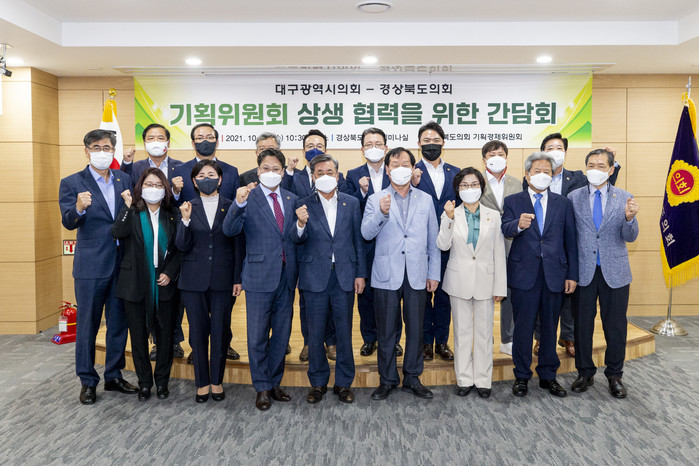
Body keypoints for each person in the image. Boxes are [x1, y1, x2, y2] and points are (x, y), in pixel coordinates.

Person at [59, 129, 137, 404]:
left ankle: (113, 375)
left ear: (113, 151)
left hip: (122, 263)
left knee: (118, 323)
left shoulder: (124, 179)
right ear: (87, 151)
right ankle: (88, 381)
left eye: (107, 148)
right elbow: (68, 222)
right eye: (96, 147)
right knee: (88, 325)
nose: (102, 152)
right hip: (91, 266)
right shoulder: (71, 182)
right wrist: (79, 208)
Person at [362, 147, 440, 401]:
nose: (400, 169)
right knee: (386, 331)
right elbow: (366, 233)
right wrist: (382, 213)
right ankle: (387, 380)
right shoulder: (375, 199)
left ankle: (412, 378)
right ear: (387, 170)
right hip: (386, 274)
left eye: (405, 164)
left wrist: (433, 273)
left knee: (416, 329)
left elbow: (433, 240)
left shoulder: (425, 199)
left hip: (417, 273)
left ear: (414, 168)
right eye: (395, 165)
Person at [223, 148, 299, 411]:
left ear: (283, 172)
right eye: (266, 168)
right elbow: (229, 230)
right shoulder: (248, 197)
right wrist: (238, 204)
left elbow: (294, 237)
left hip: (286, 277)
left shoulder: (292, 198)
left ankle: (275, 382)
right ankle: (262, 387)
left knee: (281, 335)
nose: (271, 173)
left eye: (276, 169)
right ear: (258, 171)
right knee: (256, 336)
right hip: (258, 276)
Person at [290, 154, 367, 404]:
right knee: (315, 334)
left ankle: (343, 383)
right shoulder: (302, 204)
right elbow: (296, 239)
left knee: (344, 332)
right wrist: (300, 223)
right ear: (313, 177)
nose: (325, 176)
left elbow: (358, 241)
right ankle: (318, 383)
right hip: (314, 277)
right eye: (320, 173)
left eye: (329, 172)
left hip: (345, 276)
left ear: (337, 175)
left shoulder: (351, 202)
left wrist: (360, 274)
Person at [502, 152, 578, 398]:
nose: (542, 175)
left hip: (555, 274)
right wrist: (518, 225)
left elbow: (570, 241)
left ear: (553, 175)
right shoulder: (513, 200)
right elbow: (505, 228)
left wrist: (572, 274)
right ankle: (521, 376)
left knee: (549, 327)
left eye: (547, 171)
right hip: (524, 274)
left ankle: (548, 375)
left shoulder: (563, 203)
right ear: (527, 175)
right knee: (523, 328)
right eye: (537, 171)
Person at [568, 149, 639, 399]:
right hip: (584, 271)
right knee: (582, 325)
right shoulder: (573, 197)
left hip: (615, 272)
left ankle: (615, 375)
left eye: (600, 165)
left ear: (611, 170)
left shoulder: (624, 197)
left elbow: (630, 236)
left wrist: (629, 219)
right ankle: (584, 372)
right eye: (591, 165)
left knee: (616, 326)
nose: (595, 169)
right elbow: (569, 235)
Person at [175, 160, 243, 403]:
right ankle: (202, 383)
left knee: (220, 331)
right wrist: (184, 221)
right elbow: (181, 245)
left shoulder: (232, 206)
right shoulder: (187, 207)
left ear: (220, 179)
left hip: (224, 279)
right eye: (201, 175)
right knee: (198, 332)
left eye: (211, 174)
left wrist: (237, 278)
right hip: (193, 280)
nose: (207, 178)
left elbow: (238, 245)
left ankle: (217, 381)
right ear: (194, 182)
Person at [172, 123, 241, 363]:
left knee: (224, 310)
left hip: (223, 252)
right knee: (196, 313)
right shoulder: (179, 170)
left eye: (210, 137)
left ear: (217, 141)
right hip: (192, 250)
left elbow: (235, 209)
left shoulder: (231, 171)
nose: (205, 141)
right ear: (192, 142)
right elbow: (172, 207)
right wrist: (176, 192)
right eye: (200, 137)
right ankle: (197, 348)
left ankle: (224, 344)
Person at [112, 168, 181, 401]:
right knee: (138, 336)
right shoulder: (132, 211)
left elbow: (181, 248)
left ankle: (162, 382)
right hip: (134, 283)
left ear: (165, 189)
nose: (153, 189)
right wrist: (127, 206)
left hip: (165, 283)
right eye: (149, 184)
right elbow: (117, 232)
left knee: (165, 337)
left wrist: (170, 272)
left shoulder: (173, 214)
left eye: (158, 185)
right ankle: (144, 382)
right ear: (141, 188)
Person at [437, 167, 507, 398]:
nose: (470, 188)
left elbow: (499, 252)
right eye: (464, 185)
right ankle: (464, 379)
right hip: (459, 281)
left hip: (486, 281)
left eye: (474, 184)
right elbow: (442, 245)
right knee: (462, 333)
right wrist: (448, 219)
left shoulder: (493, 215)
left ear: (481, 187)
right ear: (458, 189)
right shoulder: (450, 214)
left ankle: (484, 380)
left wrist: (500, 286)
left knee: (485, 334)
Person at [120, 123, 186, 360]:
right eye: (150, 137)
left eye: (160, 137)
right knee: (145, 304)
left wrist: (175, 193)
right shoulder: (135, 167)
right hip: (142, 239)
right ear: (144, 142)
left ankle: (172, 340)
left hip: (170, 232)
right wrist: (125, 163)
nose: (156, 141)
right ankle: (154, 342)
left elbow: (182, 202)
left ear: (168, 142)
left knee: (171, 301)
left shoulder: (181, 167)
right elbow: (126, 193)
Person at [285, 129, 345, 362]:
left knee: (331, 304)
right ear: (303, 151)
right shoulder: (295, 177)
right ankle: (309, 342)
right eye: (310, 146)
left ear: (326, 149)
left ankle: (331, 342)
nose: (314, 149)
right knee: (306, 303)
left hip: (332, 253)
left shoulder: (338, 176)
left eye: (319, 145)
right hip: (305, 250)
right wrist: (289, 171)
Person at [345, 127, 402, 357]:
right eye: (369, 144)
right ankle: (369, 337)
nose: (374, 148)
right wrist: (361, 192)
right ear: (362, 149)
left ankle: (394, 339)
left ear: (386, 148)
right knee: (366, 293)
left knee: (393, 292)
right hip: (365, 242)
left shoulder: (396, 171)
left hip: (393, 240)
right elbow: (348, 207)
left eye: (378, 144)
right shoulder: (352, 175)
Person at [411, 121, 458, 362]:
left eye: (436, 141)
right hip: (419, 244)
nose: (431, 145)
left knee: (443, 296)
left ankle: (441, 341)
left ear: (443, 143)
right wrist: (412, 182)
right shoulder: (410, 172)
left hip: (449, 243)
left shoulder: (456, 172)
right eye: (426, 141)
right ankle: (425, 342)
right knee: (421, 296)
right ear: (419, 144)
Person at [478, 140, 523, 356]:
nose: (496, 157)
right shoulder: (475, 182)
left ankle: (508, 338)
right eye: (491, 154)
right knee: (484, 294)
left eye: (500, 154)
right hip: (483, 245)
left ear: (506, 157)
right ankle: (485, 338)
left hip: (512, 244)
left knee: (509, 293)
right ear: (484, 159)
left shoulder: (517, 183)